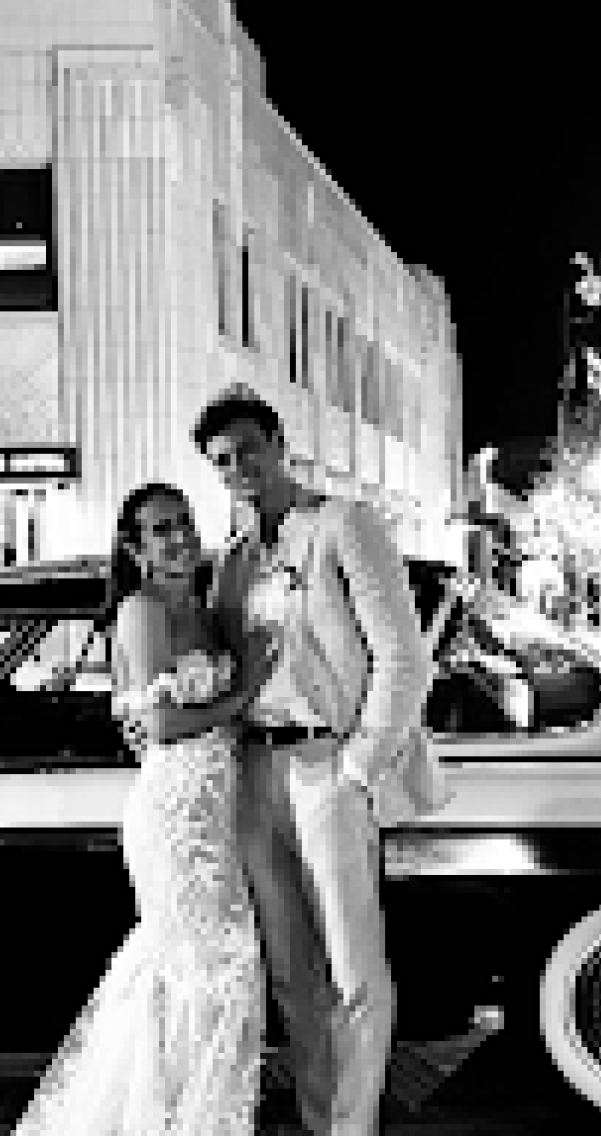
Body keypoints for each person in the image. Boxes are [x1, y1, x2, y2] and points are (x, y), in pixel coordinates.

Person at [199, 383, 452, 1136]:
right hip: (254, 773)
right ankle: (318, 1120)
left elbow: (404, 658)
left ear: (279, 445)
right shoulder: (234, 560)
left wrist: (358, 767)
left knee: (352, 970)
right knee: (290, 975)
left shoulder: (343, 524)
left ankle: (353, 1126)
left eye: (248, 449)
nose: (238, 466)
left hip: (325, 766)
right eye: (222, 460)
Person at [14, 482, 268, 1135]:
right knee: (197, 966)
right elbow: (160, 723)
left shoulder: (205, 608)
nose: (178, 537)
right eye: (160, 530)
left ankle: (198, 1114)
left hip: (214, 807)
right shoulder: (142, 609)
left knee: (221, 964)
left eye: (182, 522)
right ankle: (172, 1119)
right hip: (176, 813)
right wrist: (244, 698)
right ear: (135, 547)